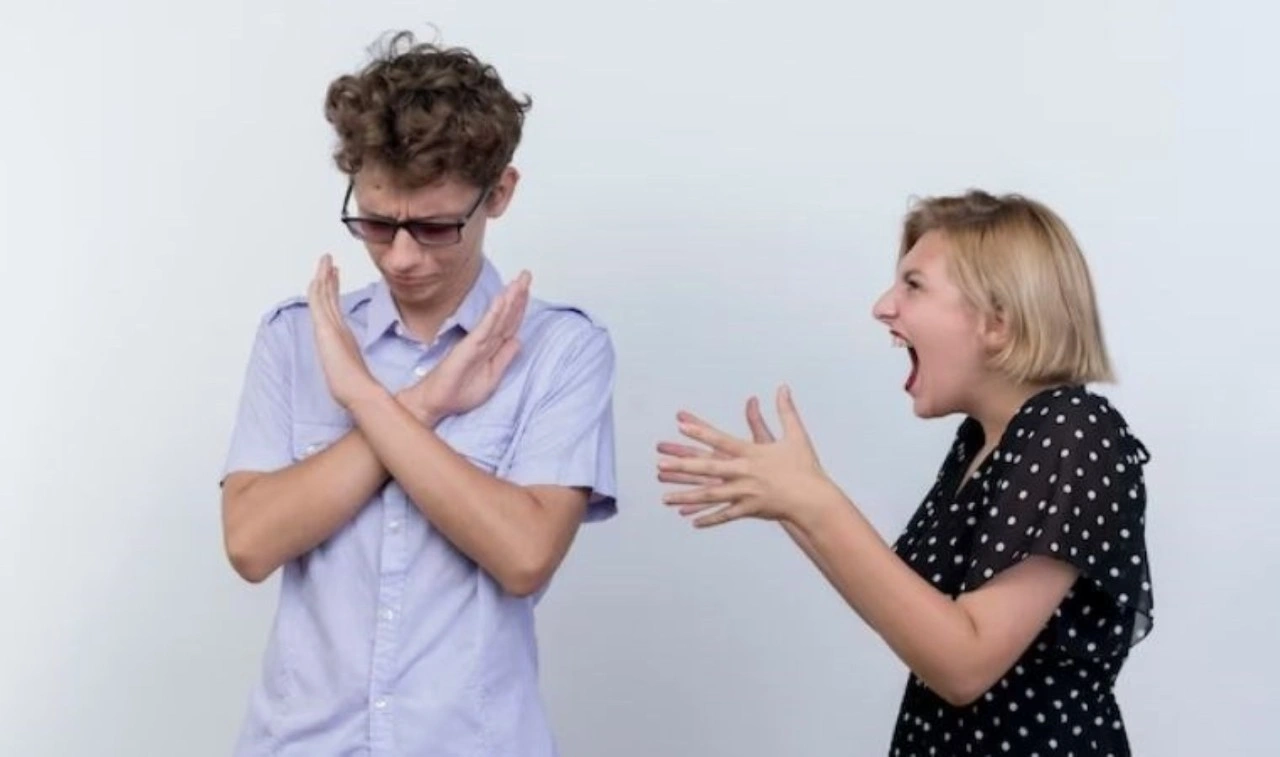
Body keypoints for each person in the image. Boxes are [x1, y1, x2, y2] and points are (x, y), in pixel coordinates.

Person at [219, 31, 617, 756]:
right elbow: (250, 543)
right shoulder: (296, 336)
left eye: (434, 227)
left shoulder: (562, 349)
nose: (401, 256)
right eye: (376, 222)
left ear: (500, 194)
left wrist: (366, 399)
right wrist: (426, 403)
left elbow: (524, 553)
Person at [656, 190, 1154, 756]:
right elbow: (910, 617)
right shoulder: (981, 443)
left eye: (913, 285)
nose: (883, 306)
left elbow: (964, 663)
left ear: (998, 320)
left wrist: (816, 503)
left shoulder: (1072, 429)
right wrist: (792, 502)